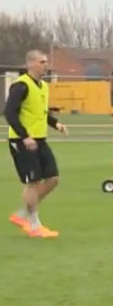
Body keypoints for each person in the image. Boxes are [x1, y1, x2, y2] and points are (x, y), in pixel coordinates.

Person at [6, 49, 66, 238]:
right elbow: (9, 113)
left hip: (40, 139)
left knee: (53, 179)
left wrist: (56, 123)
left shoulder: (43, 87)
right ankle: (34, 225)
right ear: (30, 64)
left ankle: (22, 214)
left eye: (46, 62)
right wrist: (24, 136)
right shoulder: (21, 86)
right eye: (41, 62)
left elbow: (41, 112)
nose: (45, 65)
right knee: (33, 182)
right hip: (23, 141)